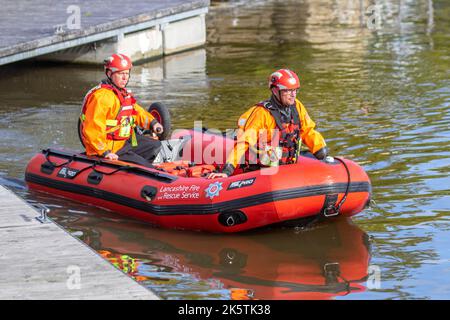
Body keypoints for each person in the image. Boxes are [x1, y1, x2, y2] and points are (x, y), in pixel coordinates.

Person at [208, 68, 328, 179]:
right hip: (261, 172)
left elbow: (308, 131)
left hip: (287, 169)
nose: (293, 94)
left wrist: (322, 153)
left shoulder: (297, 107)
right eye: (288, 91)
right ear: (276, 91)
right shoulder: (261, 114)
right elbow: (243, 143)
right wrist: (227, 170)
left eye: (295, 90)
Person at [79, 53, 163, 167]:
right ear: (109, 74)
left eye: (127, 74)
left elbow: (136, 112)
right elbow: (93, 129)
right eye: (120, 74)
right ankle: (138, 170)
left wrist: (153, 123)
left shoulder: (123, 93)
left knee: (155, 145)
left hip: (123, 142)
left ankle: (137, 168)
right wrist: (105, 152)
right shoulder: (101, 97)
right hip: (109, 147)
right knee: (145, 166)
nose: (125, 78)